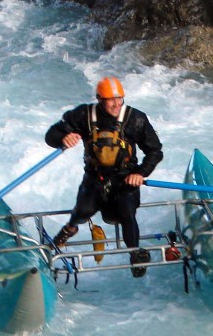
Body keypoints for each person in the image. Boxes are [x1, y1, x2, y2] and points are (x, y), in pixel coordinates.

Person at [45, 76, 163, 277]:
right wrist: (63, 137)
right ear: (99, 99)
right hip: (95, 178)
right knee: (84, 210)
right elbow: (51, 135)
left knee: (127, 211)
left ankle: (135, 254)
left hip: (125, 178)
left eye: (119, 99)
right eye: (110, 100)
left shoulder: (136, 119)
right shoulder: (83, 115)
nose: (116, 104)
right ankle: (68, 230)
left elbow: (155, 151)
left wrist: (140, 173)